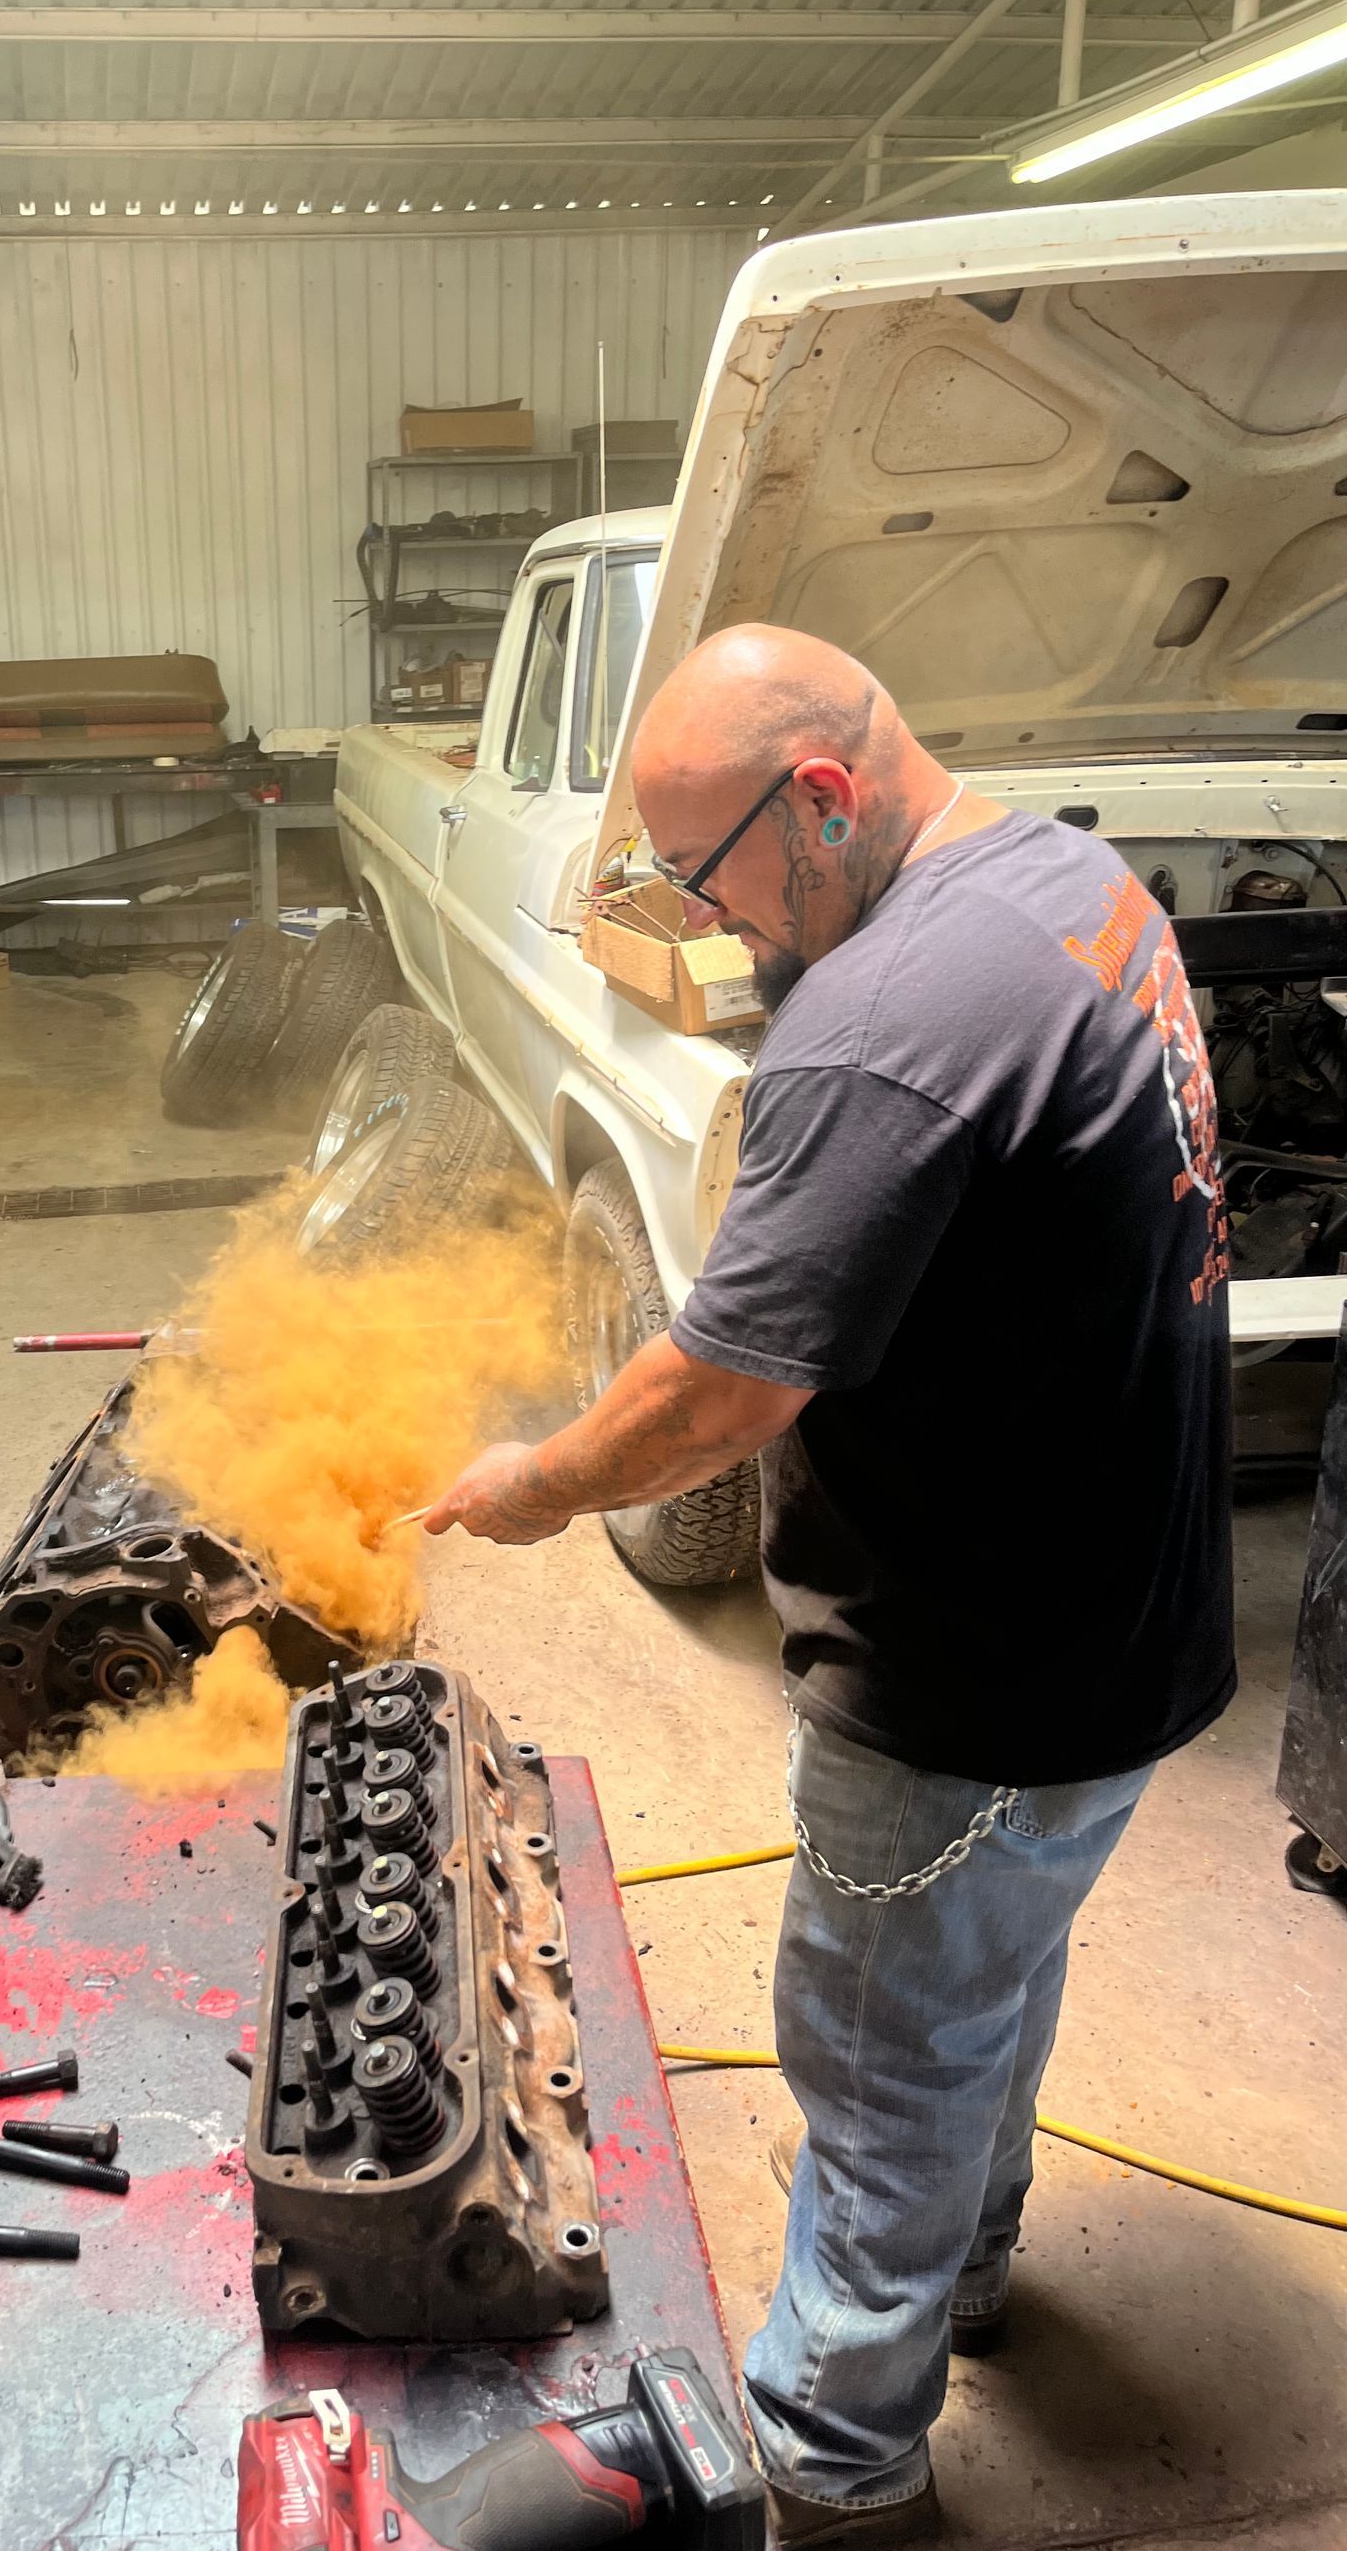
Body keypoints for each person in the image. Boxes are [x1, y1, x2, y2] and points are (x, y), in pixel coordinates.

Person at [422, 624, 1235, 2548]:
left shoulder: (874, 1032)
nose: (713, 926)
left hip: (968, 1678)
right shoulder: (1066, 877)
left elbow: (719, 1387)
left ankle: (835, 2444)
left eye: (712, 878)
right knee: (987, 1982)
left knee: (874, 2055)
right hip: (1121, 1632)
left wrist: (537, 1481)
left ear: (827, 799)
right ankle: (964, 2274)